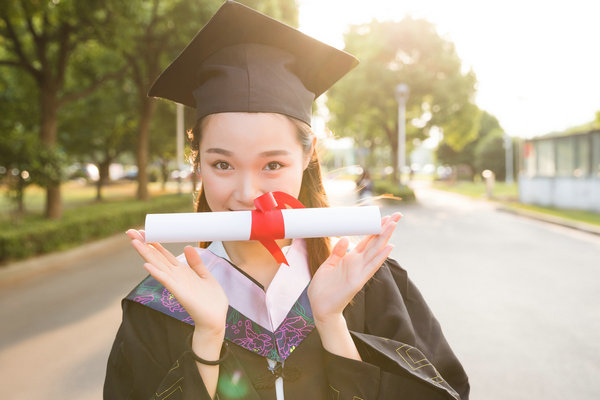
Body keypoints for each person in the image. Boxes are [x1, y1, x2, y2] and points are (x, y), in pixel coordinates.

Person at [103, 1, 469, 399]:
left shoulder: (367, 283)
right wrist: (207, 338)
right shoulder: (161, 303)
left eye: (273, 165)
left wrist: (331, 322)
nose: (246, 195)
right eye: (222, 165)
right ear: (198, 163)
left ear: (307, 158)